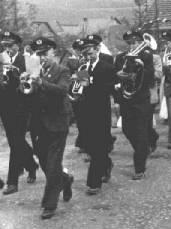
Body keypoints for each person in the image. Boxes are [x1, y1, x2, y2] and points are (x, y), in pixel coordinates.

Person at [29, 37, 74, 219]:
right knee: (44, 161)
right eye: (37, 54)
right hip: (39, 124)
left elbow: (62, 91)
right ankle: (64, 180)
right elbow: (24, 93)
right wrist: (26, 83)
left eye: (43, 54)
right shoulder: (32, 71)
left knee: (53, 163)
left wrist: (41, 83)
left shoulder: (62, 70)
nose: (41, 58)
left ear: (52, 53)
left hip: (57, 122)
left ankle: (49, 204)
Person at [75, 37, 115, 195]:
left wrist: (93, 84)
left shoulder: (106, 67)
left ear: (97, 51)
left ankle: (94, 182)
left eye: (91, 53)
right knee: (92, 145)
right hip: (86, 110)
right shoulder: (82, 66)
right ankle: (107, 164)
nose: (88, 56)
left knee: (98, 145)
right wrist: (76, 90)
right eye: (86, 54)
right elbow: (81, 89)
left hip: (101, 110)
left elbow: (111, 87)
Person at [0, 31, 38, 195]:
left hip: (21, 106)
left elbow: (31, 84)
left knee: (16, 143)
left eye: (10, 45)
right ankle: (30, 164)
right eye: (5, 45)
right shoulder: (1, 59)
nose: (8, 48)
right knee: (14, 140)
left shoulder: (26, 59)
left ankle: (12, 182)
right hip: (5, 105)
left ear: (18, 45)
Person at [114, 30, 156, 180]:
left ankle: (139, 168)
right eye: (130, 43)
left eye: (135, 42)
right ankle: (145, 147)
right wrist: (119, 75)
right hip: (126, 99)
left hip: (141, 99)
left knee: (141, 132)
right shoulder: (120, 57)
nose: (132, 45)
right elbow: (115, 75)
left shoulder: (146, 56)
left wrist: (142, 67)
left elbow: (151, 78)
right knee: (127, 129)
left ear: (140, 42)